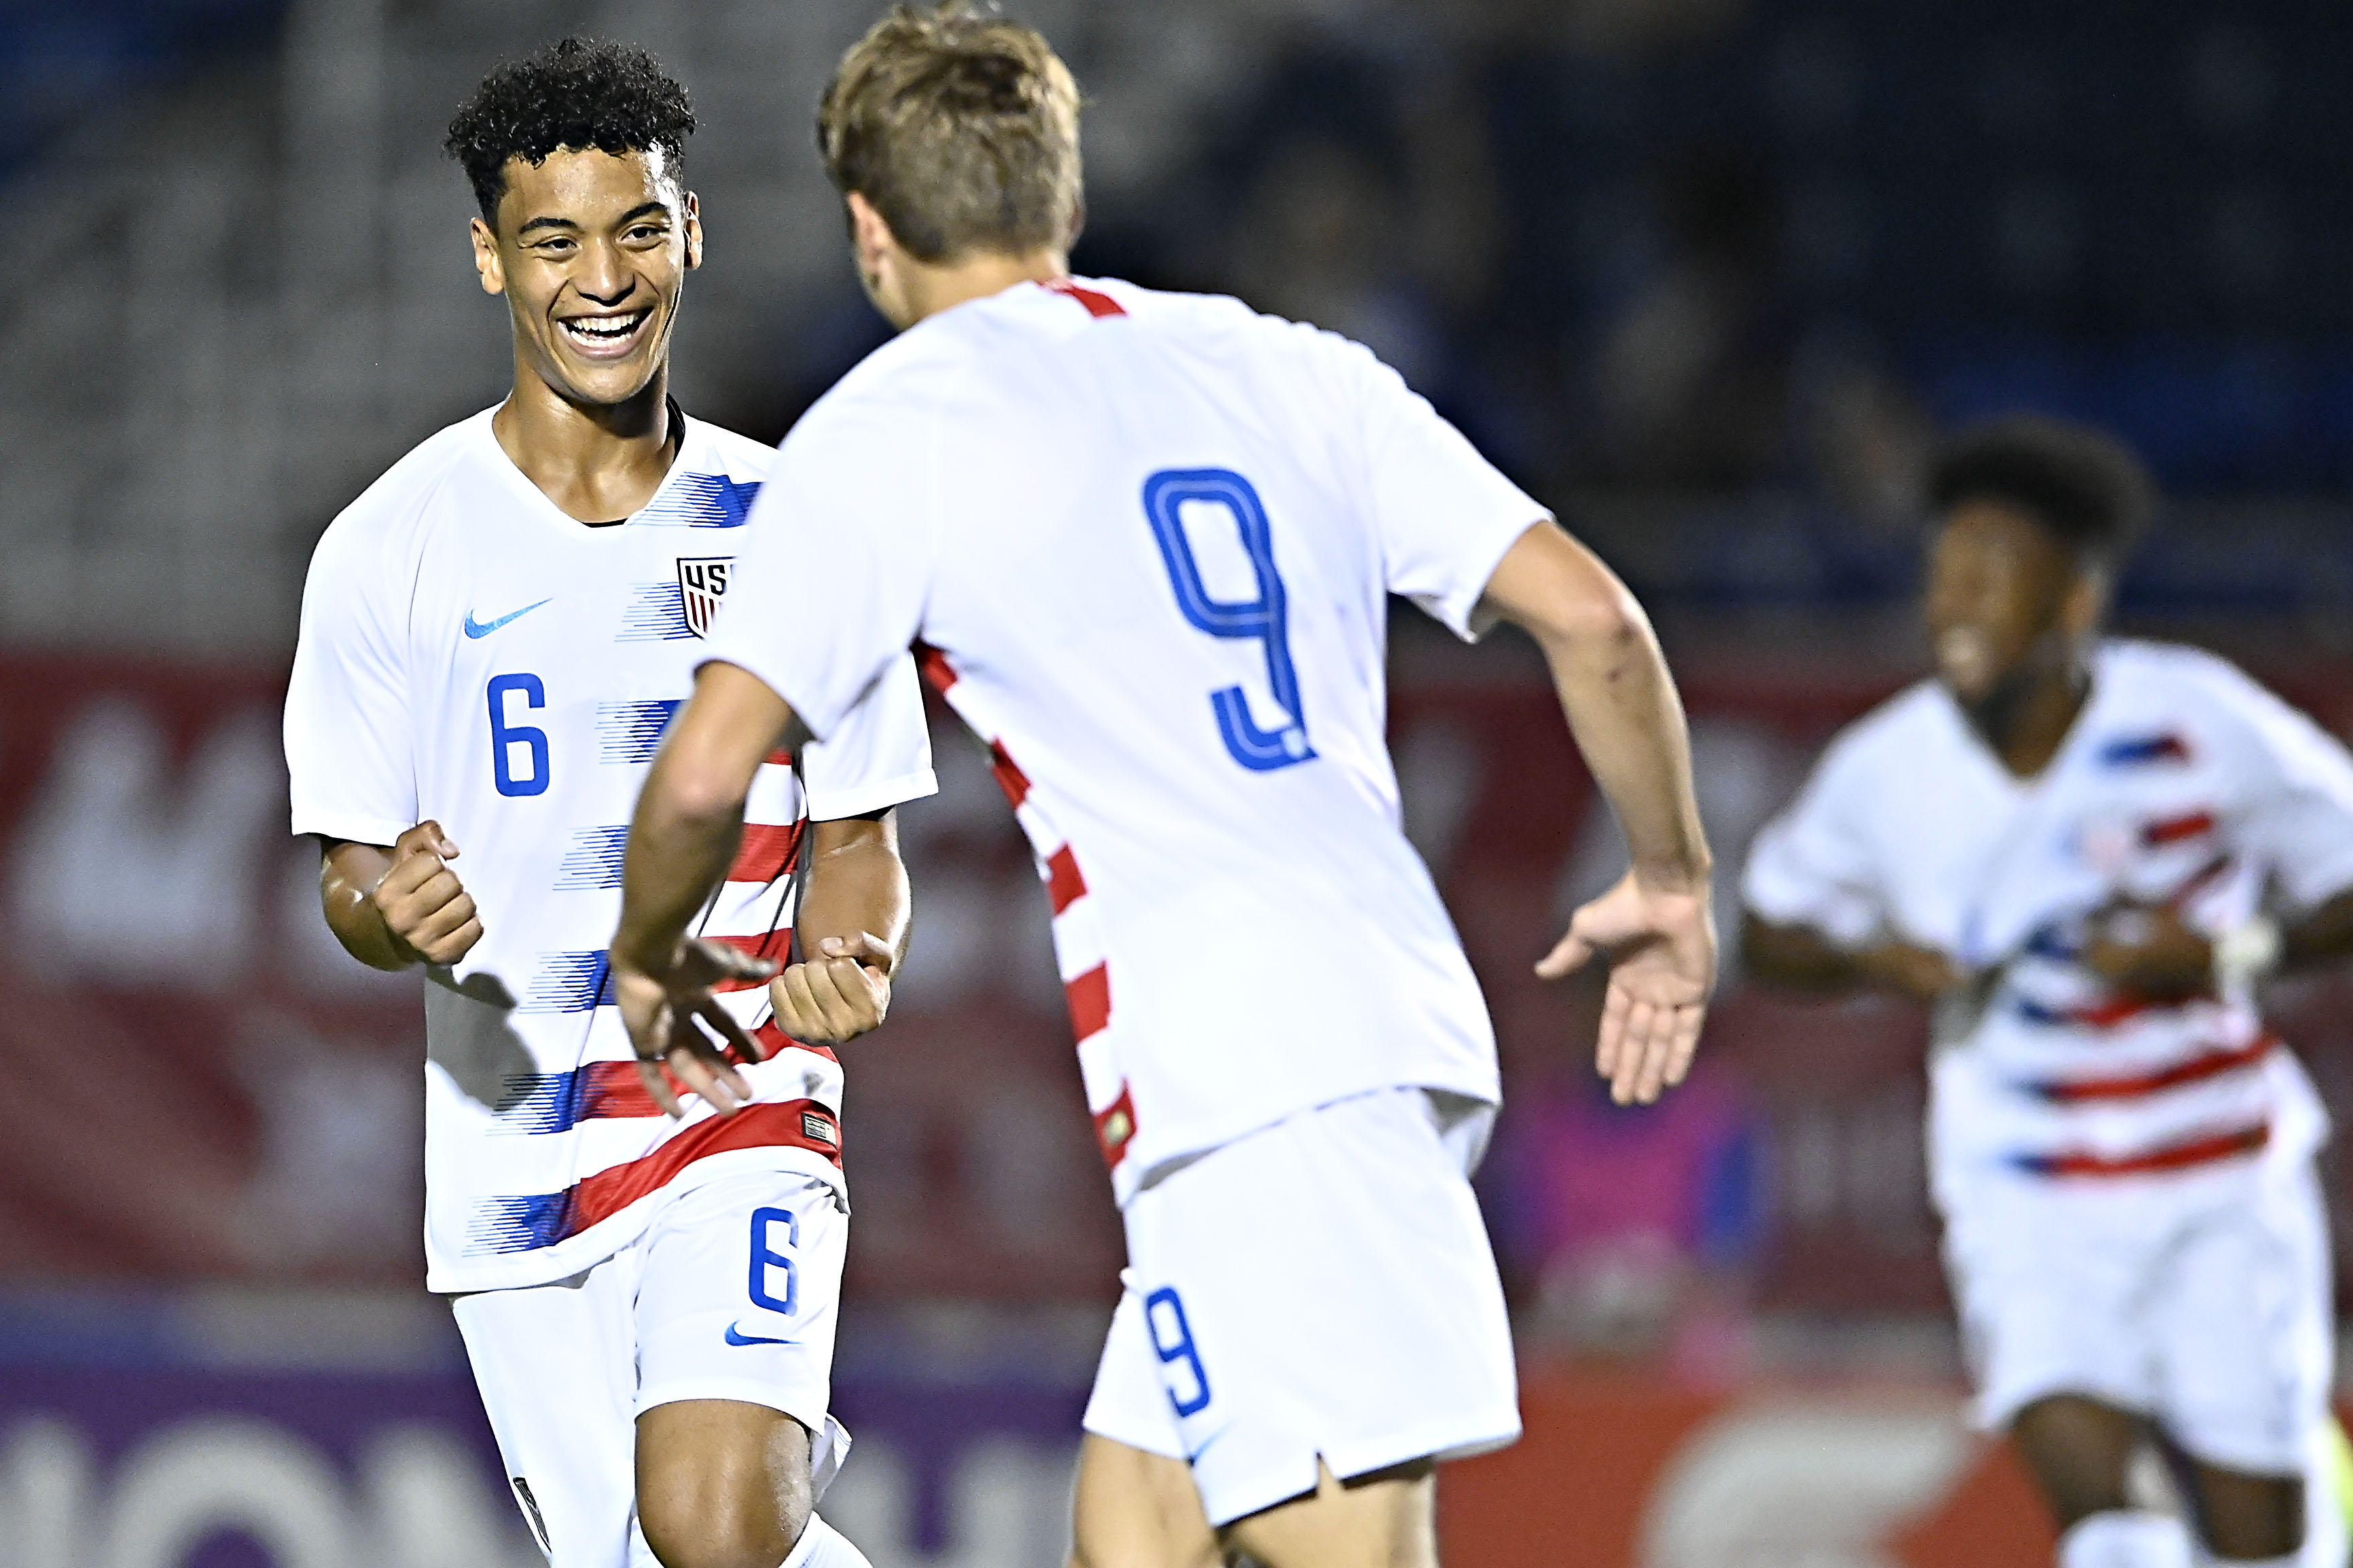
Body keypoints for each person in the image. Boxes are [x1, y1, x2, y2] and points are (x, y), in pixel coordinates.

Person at [608, 8, 1716, 1566]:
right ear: (1059, 198)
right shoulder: (1289, 369)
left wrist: (651, 957)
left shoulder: (887, 433)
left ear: (870, 230)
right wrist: (1671, 879)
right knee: (1134, 1534)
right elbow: (1594, 619)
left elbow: (700, 778)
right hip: (1340, 1029)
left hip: (1260, 1076)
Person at [282, 39, 933, 1568]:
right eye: (555, 239)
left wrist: (852, 955)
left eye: (638, 228)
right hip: (516, 1154)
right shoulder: (390, 548)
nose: (605, 276)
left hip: (740, 1091)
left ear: (690, 229)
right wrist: (394, 909)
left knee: (712, 1528)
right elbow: (351, 879)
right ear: (489, 257)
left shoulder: (800, 526)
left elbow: (859, 839)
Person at [1743, 415, 2353, 1568]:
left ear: (2073, 602)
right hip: (2027, 1193)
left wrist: (2234, 953)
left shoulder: (2197, 721)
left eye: (1990, 578)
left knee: (2262, 1545)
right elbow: (1770, 931)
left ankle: (2301, 1483)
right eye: (1941, 577)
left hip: (2222, 1184)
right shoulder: (1888, 768)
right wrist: (1882, 962)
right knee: (2117, 1536)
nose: (1953, 609)